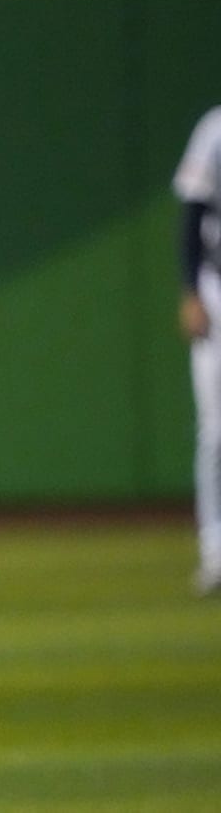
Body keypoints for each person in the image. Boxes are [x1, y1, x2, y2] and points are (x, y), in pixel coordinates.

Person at [174, 106, 221, 598]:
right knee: (217, 431)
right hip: (217, 291)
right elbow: (191, 213)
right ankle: (216, 552)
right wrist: (190, 290)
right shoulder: (215, 128)